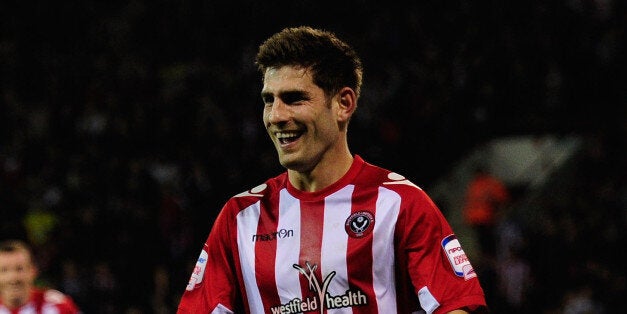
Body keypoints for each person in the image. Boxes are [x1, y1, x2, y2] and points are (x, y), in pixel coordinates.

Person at [178, 26, 487, 314]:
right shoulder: (240, 217)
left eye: (294, 98)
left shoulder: (400, 204)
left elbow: (456, 303)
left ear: (344, 103)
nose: (275, 116)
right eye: (268, 100)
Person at [0, 239, 81, 313]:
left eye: (19, 269)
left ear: (33, 270)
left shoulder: (57, 305)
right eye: (4, 270)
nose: (13, 278)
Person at [461, 164, 510, 259]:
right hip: (484, 220)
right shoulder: (488, 183)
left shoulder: (474, 186)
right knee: (491, 246)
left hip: (480, 220)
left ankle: (491, 260)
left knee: (487, 246)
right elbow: (503, 199)